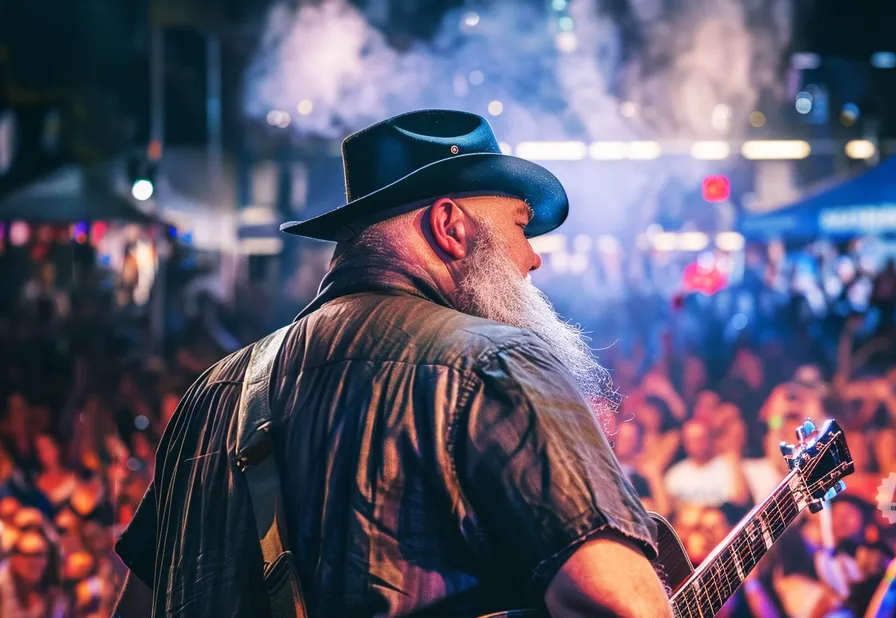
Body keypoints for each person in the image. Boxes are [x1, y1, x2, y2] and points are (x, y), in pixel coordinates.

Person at [113, 110, 671, 617]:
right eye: (520, 225)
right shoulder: (496, 364)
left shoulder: (211, 396)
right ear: (450, 226)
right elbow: (622, 605)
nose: (533, 257)